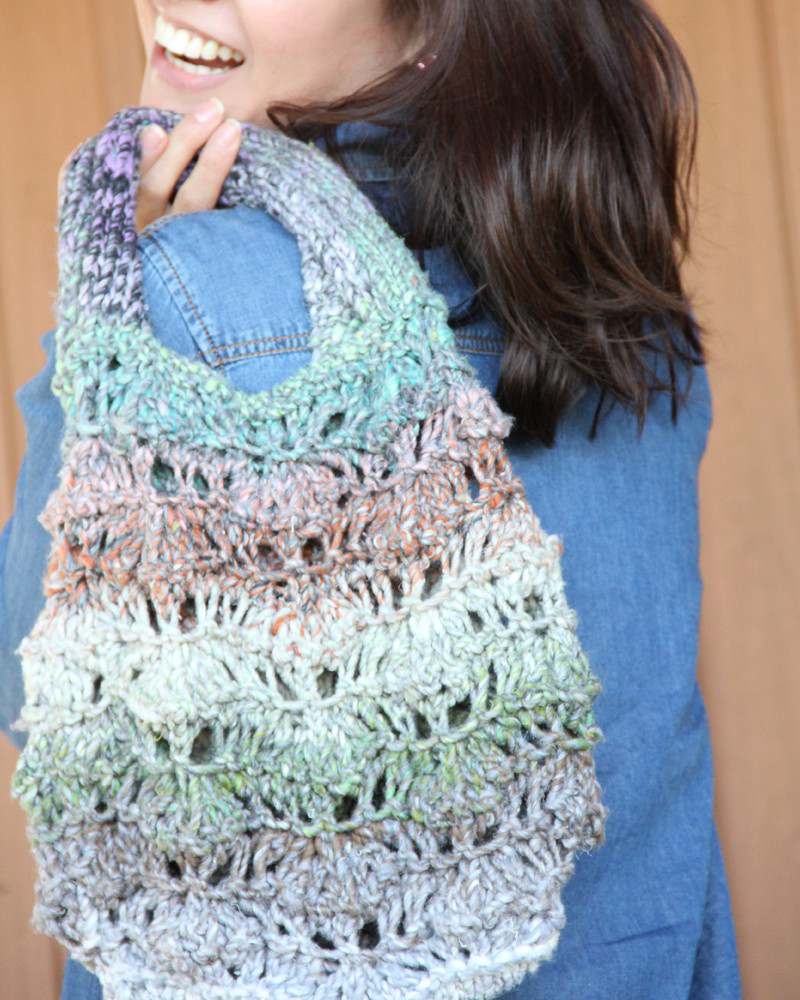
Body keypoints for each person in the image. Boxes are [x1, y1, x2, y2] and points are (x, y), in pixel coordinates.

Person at [1, 2, 743, 998]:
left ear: (438, 22)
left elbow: (48, 709)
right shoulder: (634, 325)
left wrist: (114, 327)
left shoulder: (188, 300)